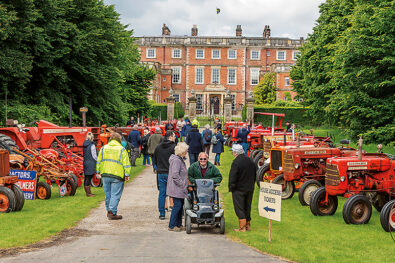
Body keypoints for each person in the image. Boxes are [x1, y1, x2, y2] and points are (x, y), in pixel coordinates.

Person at [96, 132, 131, 220]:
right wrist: (127, 174)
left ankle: (109, 210)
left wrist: (98, 171)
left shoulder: (103, 148)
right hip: (117, 175)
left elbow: (99, 161)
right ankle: (112, 212)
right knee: (115, 194)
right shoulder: (122, 149)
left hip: (105, 174)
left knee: (108, 194)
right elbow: (126, 163)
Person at [228, 144, 256, 231]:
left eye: (233, 151)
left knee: (239, 207)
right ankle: (248, 225)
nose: (233, 153)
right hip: (249, 188)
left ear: (235, 153)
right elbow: (255, 174)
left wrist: (231, 187)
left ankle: (242, 227)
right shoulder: (250, 161)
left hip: (238, 189)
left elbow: (232, 176)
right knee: (247, 206)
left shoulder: (236, 162)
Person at [153, 130, 176, 220]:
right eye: (174, 136)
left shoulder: (158, 147)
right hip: (170, 173)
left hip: (161, 173)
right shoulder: (174, 147)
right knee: (174, 193)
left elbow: (154, 159)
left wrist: (158, 167)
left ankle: (162, 213)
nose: (175, 137)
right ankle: (175, 212)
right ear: (170, 137)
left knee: (162, 194)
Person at [166, 142, 189, 231]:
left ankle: (179, 224)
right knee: (177, 206)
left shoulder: (179, 159)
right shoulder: (176, 160)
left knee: (180, 206)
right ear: (182, 152)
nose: (187, 152)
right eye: (186, 151)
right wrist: (182, 184)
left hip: (179, 188)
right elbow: (175, 175)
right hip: (177, 188)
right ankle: (172, 225)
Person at [82, 132, 97, 197]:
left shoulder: (84, 144)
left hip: (85, 162)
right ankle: (88, 193)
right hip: (91, 162)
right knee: (89, 177)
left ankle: (88, 192)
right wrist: (97, 160)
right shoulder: (92, 145)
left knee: (86, 177)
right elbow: (94, 155)